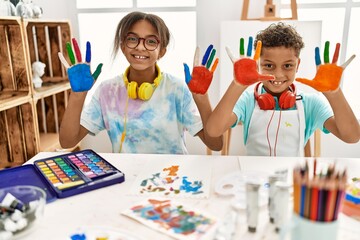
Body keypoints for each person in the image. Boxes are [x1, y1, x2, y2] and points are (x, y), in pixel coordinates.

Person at [58, 11, 223, 154]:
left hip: (172, 179)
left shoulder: (176, 89)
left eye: (151, 41)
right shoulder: (107, 91)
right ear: (123, 46)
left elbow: (216, 144)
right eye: (132, 39)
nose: (141, 47)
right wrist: (78, 95)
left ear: (162, 52)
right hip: (127, 180)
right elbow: (67, 142)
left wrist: (202, 98)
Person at [206, 22, 360, 157]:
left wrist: (334, 93)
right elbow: (213, 130)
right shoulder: (247, 100)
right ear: (258, 64)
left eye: (287, 65)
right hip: (253, 181)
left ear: (297, 65)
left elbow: (352, 137)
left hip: (291, 183)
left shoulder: (311, 104)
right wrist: (237, 85)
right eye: (268, 65)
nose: (278, 75)